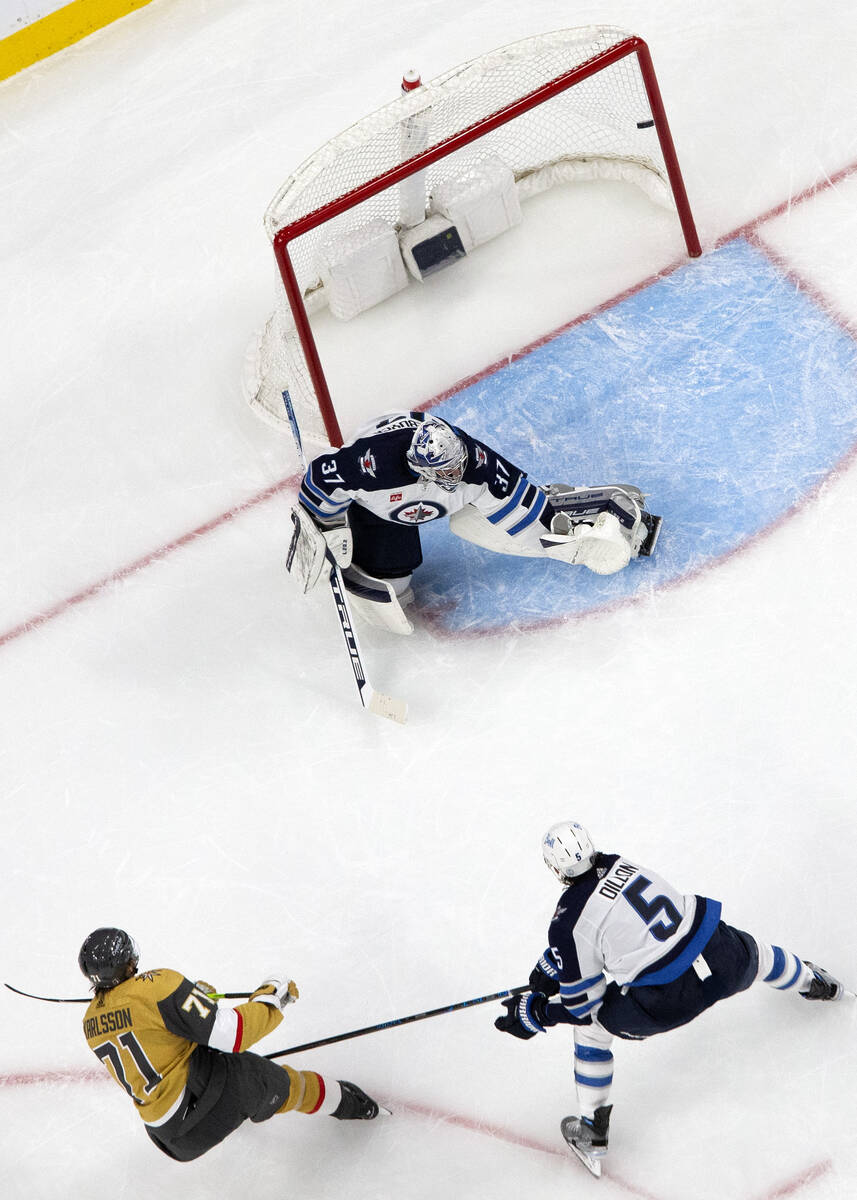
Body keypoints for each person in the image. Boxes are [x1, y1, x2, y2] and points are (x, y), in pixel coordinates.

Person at [494, 822, 845, 1178]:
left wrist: (535, 1013)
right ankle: (817, 984)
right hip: (718, 958)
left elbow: (582, 1008)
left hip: (668, 1000)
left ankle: (592, 1131)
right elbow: (612, 919)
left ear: (554, 869)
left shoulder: (566, 926)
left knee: (593, 1032)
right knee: (759, 956)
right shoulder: (618, 863)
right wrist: (557, 961)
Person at [288, 411, 661, 633]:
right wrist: (326, 525)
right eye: (445, 470)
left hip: (447, 497)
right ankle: (372, 544)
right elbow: (321, 477)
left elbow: (518, 501)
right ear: (419, 468)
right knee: (394, 591)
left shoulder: (476, 464)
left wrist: (566, 540)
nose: (455, 472)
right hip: (380, 510)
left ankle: (590, 512)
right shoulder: (372, 466)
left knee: (503, 528)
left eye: (457, 464)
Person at [79, 927, 385, 1162]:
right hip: (195, 1112)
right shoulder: (157, 985)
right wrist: (271, 1002)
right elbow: (231, 1035)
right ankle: (354, 1106)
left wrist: (186, 1010)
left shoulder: (90, 1021)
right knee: (274, 1080)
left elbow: (152, 1037)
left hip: (164, 1134)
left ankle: (239, 1106)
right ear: (128, 962)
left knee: (226, 1067)